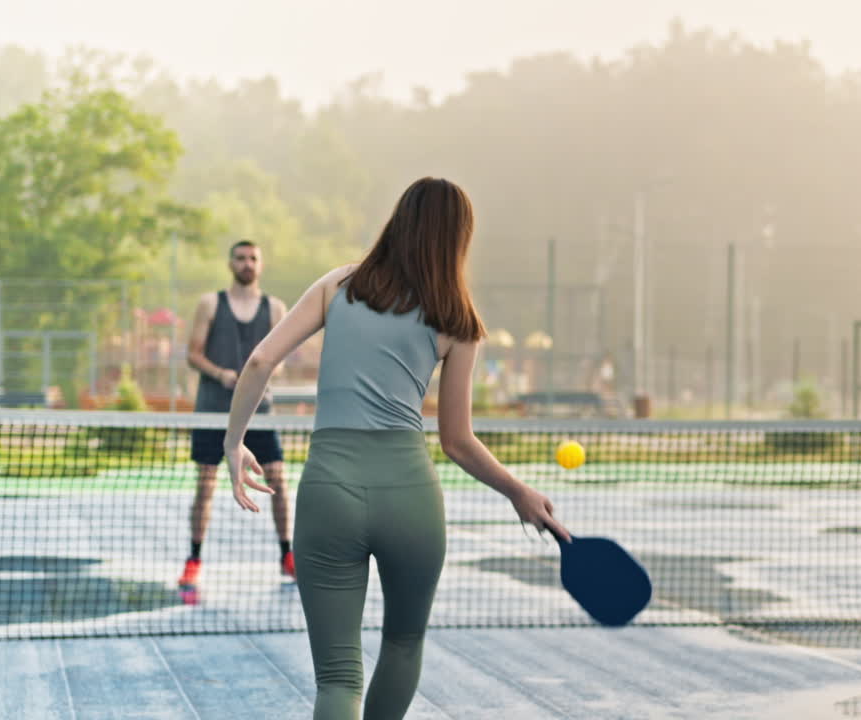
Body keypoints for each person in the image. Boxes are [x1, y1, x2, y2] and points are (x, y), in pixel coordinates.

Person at [221, 177, 571, 719]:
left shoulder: (337, 287)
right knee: (403, 645)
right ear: (458, 239)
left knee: (337, 678)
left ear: (399, 221)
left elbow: (261, 362)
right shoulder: (460, 322)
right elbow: (456, 440)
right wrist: (517, 490)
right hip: (410, 497)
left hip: (329, 491)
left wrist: (234, 441)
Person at [179, 239, 292, 588]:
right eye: (240, 258)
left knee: (278, 481)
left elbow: (281, 363)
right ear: (230, 263)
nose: (246, 263)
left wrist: (254, 380)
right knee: (206, 485)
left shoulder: (275, 308)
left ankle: (288, 555)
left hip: (260, 412)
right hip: (213, 412)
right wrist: (223, 375)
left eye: (253, 258)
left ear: (261, 264)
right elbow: (193, 354)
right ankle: (194, 559)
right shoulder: (210, 303)